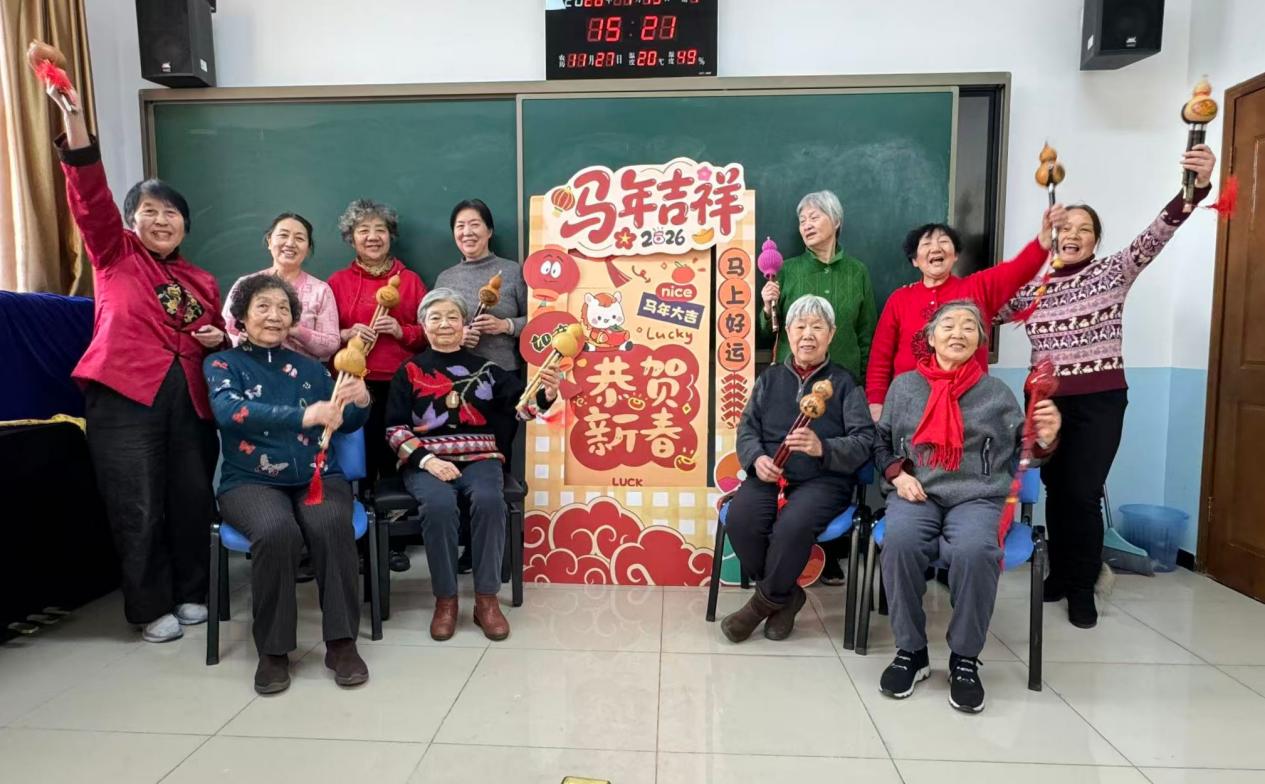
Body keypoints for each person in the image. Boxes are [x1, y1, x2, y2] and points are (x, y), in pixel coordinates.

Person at [30, 41, 223, 643]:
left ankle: (193, 592)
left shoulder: (202, 280)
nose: (162, 221)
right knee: (136, 503)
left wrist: (216, 336)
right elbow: (88, 193)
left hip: (190, 399)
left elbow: (212, 334)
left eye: (172, 214)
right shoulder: (114, 254)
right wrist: (71, 113)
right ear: (132, 219)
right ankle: (148, 606)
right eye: (150, 212)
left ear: (186, 225)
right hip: (123, 394)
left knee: (191, 498)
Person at [997, 144, 1218, 629]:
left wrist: (1195, 187)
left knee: (1083, 491)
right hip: (1046, 403)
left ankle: (1083, 586)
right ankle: (1060, 574)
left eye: (1084, 230)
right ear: (1052, 236)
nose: (1073, 235)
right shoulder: (1034, 287)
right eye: (1066, 228)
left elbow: (1158, 233)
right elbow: (984, 309)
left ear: (1096, 240)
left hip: (1099, 402)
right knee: (1057, 490)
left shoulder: (1112, 271)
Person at [874, 301, 1061, 713]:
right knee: (900, 542)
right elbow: (880, 442)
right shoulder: (904, 387)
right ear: (930, 336)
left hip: (978, 496)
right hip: (917, 491)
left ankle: (964, 657)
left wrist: (1045, 440)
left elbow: (1024, 456)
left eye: (968, 327)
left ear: (979, 341)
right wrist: (897, 475)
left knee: (976, 551)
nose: (958, 333)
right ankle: (912, 651)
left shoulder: (997, 394)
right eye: (948, 325)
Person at [205, 275, 372, 694]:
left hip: (317, 474)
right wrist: (304, 415)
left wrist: (360, 399)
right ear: (242, 316)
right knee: (276, 531)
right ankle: (273, 651)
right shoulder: (222, 364)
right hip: (250, 481)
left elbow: (346, 421)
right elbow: (229, 412)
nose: (274, 316)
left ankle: (342, 643)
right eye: (262, 306)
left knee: (329, 524)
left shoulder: (313, 368)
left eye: (283, 308)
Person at [384, 288, 558, 642]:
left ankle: (486, 599)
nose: (444, 324)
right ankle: (445, 600)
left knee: (491, 500)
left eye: (452, 317)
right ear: (423, 325)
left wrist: (546, 395)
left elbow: (522, 409)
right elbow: (394, 430)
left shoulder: (487, 369)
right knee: (438, 504)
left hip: (481, 456)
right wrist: (428, 461)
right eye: (435, 317)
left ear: (464, 324)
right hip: (427, 460)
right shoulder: (409, 370)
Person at [722, 295, 875, 643]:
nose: (808, 335)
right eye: (800, 326)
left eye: (817, 327)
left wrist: (824, 448)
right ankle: (788, 597)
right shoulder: (770, 378)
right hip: (771, 475)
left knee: (793, 526)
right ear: (788, 332)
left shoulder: (845, 383)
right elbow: (747, 429)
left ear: (831, 334)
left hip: (824, 480)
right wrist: (756, 458)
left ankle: (759, 607)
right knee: (741, 519)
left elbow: (864, 440)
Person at [758, 191, 878, 584]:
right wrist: (767, 306)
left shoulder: (857, 272)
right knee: (794, 459)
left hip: (843, 389)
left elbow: (867, 334)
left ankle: (831, 553)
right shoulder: (788, 270)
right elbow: (769, 332)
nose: (806, 225)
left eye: (815, 217)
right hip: (794, 383)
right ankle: (790, 551)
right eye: (802, 220)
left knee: (834, 459)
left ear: (836, 221)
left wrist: (865, 387)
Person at [865, 205, 1066, 421]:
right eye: (926, 244)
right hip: (910, 406)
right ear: (915, 260)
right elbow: (880, 359)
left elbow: (1017, 270)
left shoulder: (977, 288)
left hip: (969, 406)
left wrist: (1043, 241)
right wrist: (876, 404)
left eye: (944, 242)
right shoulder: (899, 299)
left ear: (955, 255)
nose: (936, 248)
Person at [327, 198, 428, 572]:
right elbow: (325, 336)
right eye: (363, 230)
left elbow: (429, 334)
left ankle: (395, 541)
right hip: (354, 385)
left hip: (401, 384)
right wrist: (347, 334)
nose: (372, 237)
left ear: (391, 235)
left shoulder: (410, 280)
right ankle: (359, 541)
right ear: (351, 238)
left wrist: (402, 331)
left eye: (380, 230)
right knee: (359, 463)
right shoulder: (337, 282)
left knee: (396, 459)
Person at [222, 213, 340, 361]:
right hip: (249, 369)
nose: (290, 243)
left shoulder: (321, 290)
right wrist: (239, 340)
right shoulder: (244, 284)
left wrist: (296, 331)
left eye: (299, 238)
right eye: (283, 235)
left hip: (302, 373)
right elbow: (225, 331)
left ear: (308, 248)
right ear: (269, 241)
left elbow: (331, 344)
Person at [434, 199, 528, 371]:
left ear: (489, 231)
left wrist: (506, 325)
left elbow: (537, 320)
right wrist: (455, 335)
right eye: (460, 226)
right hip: (455, 373)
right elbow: (429, 328)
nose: (467, 232)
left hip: (503, 373)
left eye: (475, 224)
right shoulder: (445, 279)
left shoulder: (513, 271)